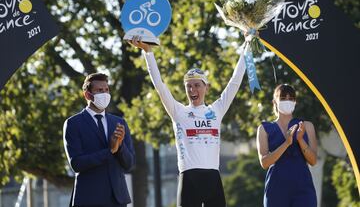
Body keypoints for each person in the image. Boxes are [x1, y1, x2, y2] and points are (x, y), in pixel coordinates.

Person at [130, 37, 247, 207]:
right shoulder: (179, 112)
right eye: (189, 86)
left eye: (197, 85)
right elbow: (159, 86)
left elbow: (235, 82)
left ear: (206, 87)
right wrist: (148, 52)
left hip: (213, 178)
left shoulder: (216, 110)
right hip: (189, 179)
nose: (192, 90)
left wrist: (247, 47)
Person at [63, 73, 135, 207]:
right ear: (87, 95)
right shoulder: (73, 124)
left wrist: (119, 148)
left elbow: (130, 163)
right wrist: (109, 151)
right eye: (99, 90)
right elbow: (76, 163)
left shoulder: (119, 123)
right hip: (88, 199)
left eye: (106, 90)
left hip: (117, 199)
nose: (105, 94)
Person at [256, 84, 317, 207]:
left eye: (291, 98)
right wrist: (286, 143)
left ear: (295, 102)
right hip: (276, 189)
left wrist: (300, 140)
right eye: (283, 98)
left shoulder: (307, 126)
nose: (287, 101)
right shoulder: (263, 129)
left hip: (303, 189)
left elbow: (313, 161)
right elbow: (264, 162)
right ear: (275, 101)